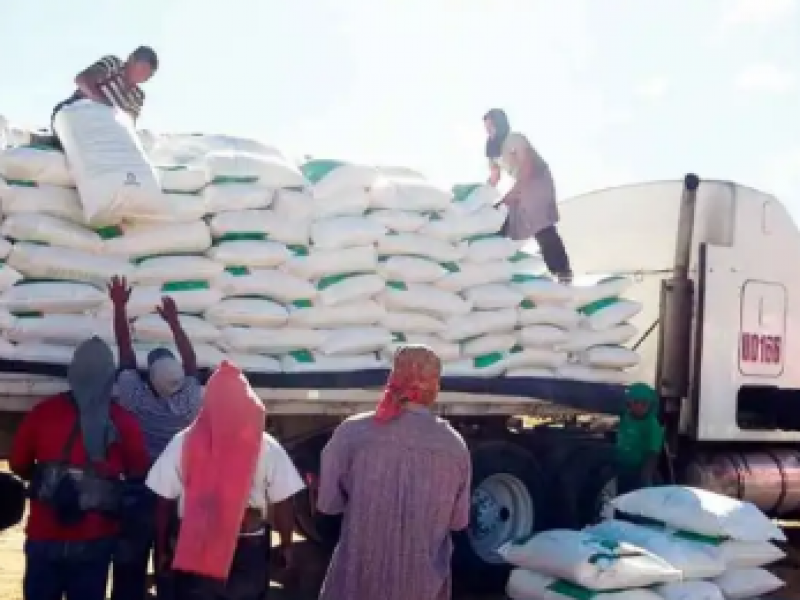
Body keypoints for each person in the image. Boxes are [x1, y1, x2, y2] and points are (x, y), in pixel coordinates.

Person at [317, 344, 471, 600]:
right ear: (435, 389)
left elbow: (328, 504)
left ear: (392, 380)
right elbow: (458, 521)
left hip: (358, 585)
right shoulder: (454, 446)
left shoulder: (352, 433)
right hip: (420, 588)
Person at [146, 361, 304, 600]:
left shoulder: (183, 442)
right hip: (248, 547)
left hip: (196, 546)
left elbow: (163, 501)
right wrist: (286, 545)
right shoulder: (266, 446)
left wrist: (162, 549)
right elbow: (283, 502)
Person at [9, 337, 150, 600]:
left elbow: (18, 462)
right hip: (95, 537)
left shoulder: (43, 412)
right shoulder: (124, 422)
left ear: (73, 373)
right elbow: (138, 471)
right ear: (111, 377)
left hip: (44, 533)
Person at [107, 275, 204, 600]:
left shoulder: (135, 399)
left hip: (138, 491)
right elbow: (192, 364)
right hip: (174, 495)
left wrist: (119, 306)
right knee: (170, 567)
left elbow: (124, 349)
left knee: (129, 569)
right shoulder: (190, 402)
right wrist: (175, 323)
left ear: (149, 377)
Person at [483, 108, 573, 284]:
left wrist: (514, 192)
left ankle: (562, 272)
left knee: (541, 225)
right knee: (502, 222)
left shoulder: (515, 139)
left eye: (491, 126)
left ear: (500, 125)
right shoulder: (492, 150)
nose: (489, 131)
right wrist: (481, 196)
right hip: (521, 184)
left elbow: (528, 167)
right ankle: (499, 271)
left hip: (537, 181)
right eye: (486, 128)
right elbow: (494, 177)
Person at [32, 47, 158, 149]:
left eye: (149, 74)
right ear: (131, 60)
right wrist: (108, 109)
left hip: (101, 132)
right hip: (75, 114)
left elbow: (129, 124)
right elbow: (82, 79)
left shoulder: (138, 96)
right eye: (143, 68)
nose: (144, 75)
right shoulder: (114, 64)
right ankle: (48, 141)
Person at [615, 382, 664, 495]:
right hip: (624, 469)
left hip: (641, 469)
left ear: (650, 405)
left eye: (644, 404)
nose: (639, 407)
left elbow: (653, 452)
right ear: (629, 403)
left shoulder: (651, 424)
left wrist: (646, 475)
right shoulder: (626, 417)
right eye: (635, 403)